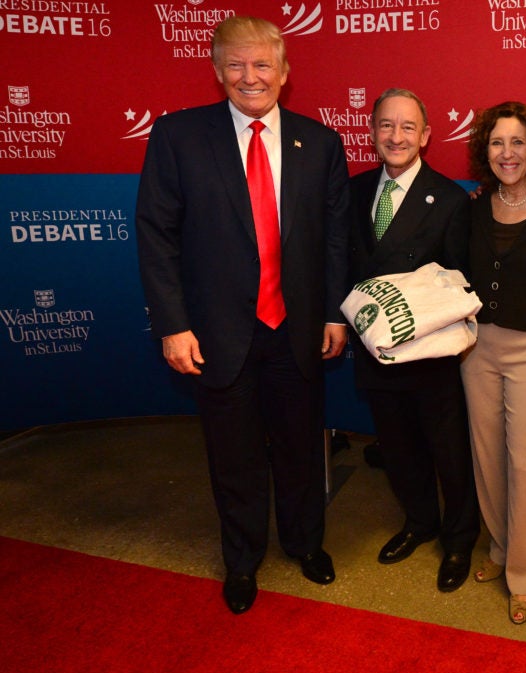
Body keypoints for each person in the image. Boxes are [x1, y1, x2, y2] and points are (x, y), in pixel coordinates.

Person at [135, 16, 350, 614]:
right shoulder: (178, 136)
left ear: (284, 73)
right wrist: (173, 324)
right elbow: (156, 235)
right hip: (215, 333)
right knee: (233, 457)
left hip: (297, 330)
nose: (250, 76)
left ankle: (306, 544)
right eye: (236, 64)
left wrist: (335, 314)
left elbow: (335, 240)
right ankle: (241, 561)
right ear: (216, 72)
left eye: (262, 65)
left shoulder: (321, 143)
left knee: (301, 447)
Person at [347, 88, 479, 592]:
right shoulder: (356, 190)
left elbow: (458, 280)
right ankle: (420, 523)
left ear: (425, 135)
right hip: (375, 350)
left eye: (407, 127)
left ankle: (460, 538)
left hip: (429, 351)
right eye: (386, 125)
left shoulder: (448, 199)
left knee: (447, 450)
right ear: (373, 131)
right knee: (398, 447)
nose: (395, 136)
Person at [460, 102, 526, 624]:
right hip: (477, 348)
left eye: (518, 142)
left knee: (525, 462)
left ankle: (525, 575)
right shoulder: (473, 207)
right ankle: (500, 549)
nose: (507, 153)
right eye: (497, 143)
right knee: (487, 454)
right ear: (485, 151)